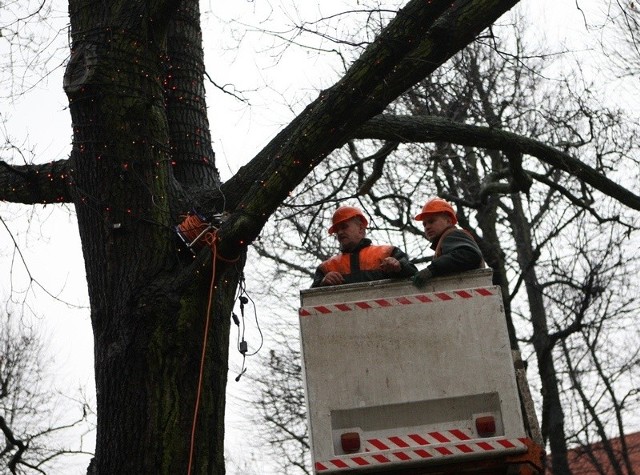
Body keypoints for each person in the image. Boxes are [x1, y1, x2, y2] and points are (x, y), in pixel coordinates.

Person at [311, 206, 418, 287]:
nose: (339, 232)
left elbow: (413, 274)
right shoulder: (327, 267)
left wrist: (399, 266)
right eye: (336, 230)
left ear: (361, 228)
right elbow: (311, 298)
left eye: (344, 227)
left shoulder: (388, 252)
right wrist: (323, 283)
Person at [412, 197, 484, 287]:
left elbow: (471, 255)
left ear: (448, 221)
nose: (427, 227)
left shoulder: (454, 234)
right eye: (424, 224)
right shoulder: (446, 240)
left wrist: (432, 269)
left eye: (431, 221)